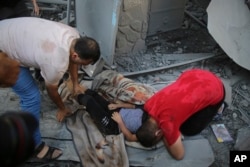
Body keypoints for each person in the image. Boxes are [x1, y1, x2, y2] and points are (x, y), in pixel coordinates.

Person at [0, 17, 100, 161]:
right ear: (76, 55)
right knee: (31, 96)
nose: (84, 66)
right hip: (3, 48)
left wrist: (75, 83)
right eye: (85, 64)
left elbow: (74, 62)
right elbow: (51, 90)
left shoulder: (74, 35)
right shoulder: (56, 62)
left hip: (8, 31)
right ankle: (35, 148)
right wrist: (62, 108)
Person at [136, 69, 226, 160]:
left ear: (158, 133)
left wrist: (165, 136)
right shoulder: (148, 105)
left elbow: (179, 155)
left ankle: (220, 107)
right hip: (196, 74)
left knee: (189, 130)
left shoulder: (167, 123)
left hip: (216, 87)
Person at [77, 87, 149, 142]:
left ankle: (76, 95)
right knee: (93, 94)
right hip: (117, 111)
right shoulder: (150, 111)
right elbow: (134, 106)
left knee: (89, 101)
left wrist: (120, 121)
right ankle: (77, 88)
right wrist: (118, 105)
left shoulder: (149, 130)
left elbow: (131, 138)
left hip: (114, 125)